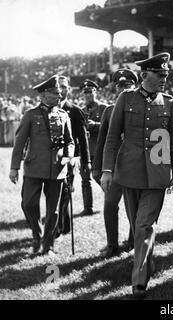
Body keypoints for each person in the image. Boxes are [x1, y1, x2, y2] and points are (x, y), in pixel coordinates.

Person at [101, 53, 173, 299]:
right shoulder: (125, 99)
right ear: (145, 75)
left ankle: (138, 282)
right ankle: (147, 264)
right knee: (140, 227)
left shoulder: (169, 103)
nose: (164, 79)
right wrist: (107, 170)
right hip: (128, 174)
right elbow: (112, 137)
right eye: (160, 75)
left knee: (144, 225)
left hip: (158, 176)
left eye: (166, 75)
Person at [9, 75, 74, 255]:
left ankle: (48, 246)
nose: (59, 96)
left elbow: (70, 141)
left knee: (53, 211)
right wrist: (14, 168)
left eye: (60, 92)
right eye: (55, 93)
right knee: (28, 204)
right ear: (44, 95)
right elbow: (19, 142)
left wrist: (68, 157)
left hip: (57, 169)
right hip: (34, 167)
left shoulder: (63, 115)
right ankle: (36, 235)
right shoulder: (31, 115)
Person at [92, 69, 138, 258]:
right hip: (113, 168)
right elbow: (102, 140)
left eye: (127, 85)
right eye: (120, 86)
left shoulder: (141, 108)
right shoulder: (109, 111)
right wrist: (97, 167)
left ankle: (133, 243)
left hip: (133, 167)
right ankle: (112, 244)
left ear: (134, 86)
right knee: (110, 205)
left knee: (133, 208)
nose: (123, 89)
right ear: (115, 89)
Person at [57, 76, 90, 237]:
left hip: (71, 158)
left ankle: (58, 227)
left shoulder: (75, 111)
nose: (60, 90)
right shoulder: (48, 110)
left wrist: (86, 161)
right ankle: (64, 225)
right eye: (58, 86)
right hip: (54, 158)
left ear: (69, 89)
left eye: (64, 87)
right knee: (56, 191)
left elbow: (83, 139)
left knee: (65, 191)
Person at [80, 79, 108, 216]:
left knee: (101, 178)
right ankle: (87, 207)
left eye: (90, 92)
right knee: (85, 180)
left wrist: (95, 125)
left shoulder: (104, 108)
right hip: (86, 151)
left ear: (96, 92)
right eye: (85, 93)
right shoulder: (81, 111)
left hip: (100, 150)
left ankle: (110, 200)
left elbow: (111, 128)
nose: (87, 95)